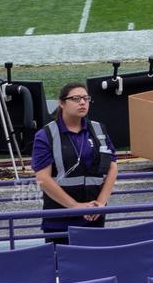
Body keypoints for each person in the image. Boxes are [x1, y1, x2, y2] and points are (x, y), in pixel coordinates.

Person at [32, 83, 118, 243]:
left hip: (93, 216)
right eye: (76, 98)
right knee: (61, 265)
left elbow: (112, 167)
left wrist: (101, 203)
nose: (82, 102)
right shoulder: (46, 135)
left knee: (92, 263)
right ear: (62, 103)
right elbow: (43, 178)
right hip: (59, 219)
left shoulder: (99, 130)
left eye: (86, 98)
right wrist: (75, 206)